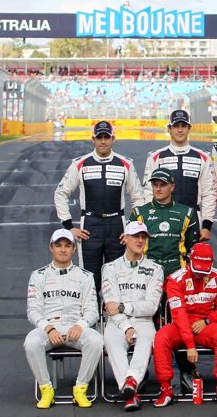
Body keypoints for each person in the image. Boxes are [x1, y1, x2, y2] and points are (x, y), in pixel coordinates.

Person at [53, 121, 147, 294]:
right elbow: (60, 193)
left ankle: (115, 318)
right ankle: (91, 318)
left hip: (117, 226)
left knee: (118, 276)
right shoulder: (79, 164)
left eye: (107, 137)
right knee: (90, 278)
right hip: (90, 225)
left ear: (113, 139)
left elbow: (138, 198)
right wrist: (69, 227)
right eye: (99, 137)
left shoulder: (126, 164)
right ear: (93, 140)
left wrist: (131, 229)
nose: (103, 141)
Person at [25, 228, 103, 409]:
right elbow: (33, 311)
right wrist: (48, 328)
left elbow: (92, 310)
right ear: (51, 247)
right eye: (58, 245)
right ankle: (46, 389)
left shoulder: (86, 276)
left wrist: (80, 325)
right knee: (31, 342)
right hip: (49, 328)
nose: (62, 249)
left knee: (96, 340)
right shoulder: (38, 276)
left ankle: (80, 389)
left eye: (67, 246)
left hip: (75, 327)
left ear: (74, 249)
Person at [152, 241, 217, 407]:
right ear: (190, 261)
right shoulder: (174, 280)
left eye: (204, 271)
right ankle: (165, 388)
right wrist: (190, 345)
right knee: (161, 337)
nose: (201, 275)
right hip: (182, 326)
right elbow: (179, 315)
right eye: (197, 271)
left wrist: (208, 321)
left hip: (205, 324)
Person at [100, 221, 164, 411]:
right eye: (136, 236)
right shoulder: (109, 268)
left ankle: (130, 384)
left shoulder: (156, 269)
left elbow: (151, 307)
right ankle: (130, 388)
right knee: (112, 342)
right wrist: (127, 326)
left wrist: (123, 306)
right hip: (118, 323)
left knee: (145, 341)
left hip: (144, 321)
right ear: (125, 239)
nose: (140, 240)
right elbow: (111, 308)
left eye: (143, 237)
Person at [144, 109, 217, 245]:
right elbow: (149, 192)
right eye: (176, 126)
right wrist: (151, 219)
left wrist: (206, 225)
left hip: (193, 219)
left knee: (192, 264)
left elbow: (209, 192)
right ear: (169, 128)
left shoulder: (203, 157)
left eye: (183, 126)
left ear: (189, 128)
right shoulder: (155, 157)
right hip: (162, 218)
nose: (180, 130)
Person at [130, 167, 200, 277]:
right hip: (147, 270)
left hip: (177, 270)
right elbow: (131, 246)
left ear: (172, 187)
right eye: (155, 185)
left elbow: (192, 245)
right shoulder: (139, 213)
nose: (158, 189)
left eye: (162, 185)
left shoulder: (187, 212)